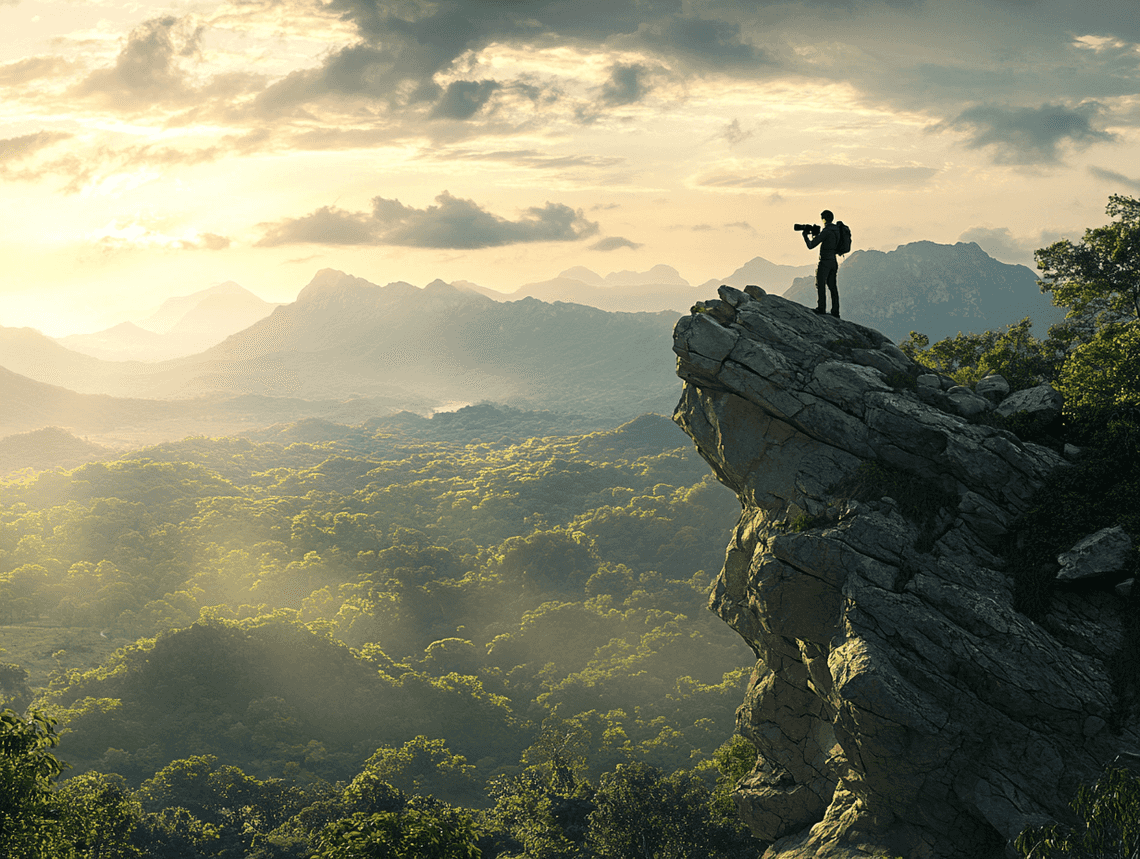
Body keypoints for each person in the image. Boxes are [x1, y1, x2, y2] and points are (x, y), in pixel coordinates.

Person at [803, 210, 840, 318]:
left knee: (820, 284)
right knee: (833, 287)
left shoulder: (826, 231)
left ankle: (821, 308)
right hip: (834, 261)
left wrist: (805, 236)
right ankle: (835, 311)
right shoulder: (836, 230)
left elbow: (811, 245)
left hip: (825, 262)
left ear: (824, 219)